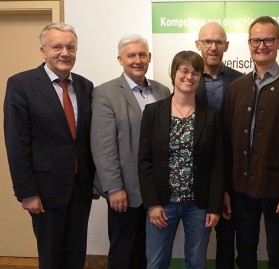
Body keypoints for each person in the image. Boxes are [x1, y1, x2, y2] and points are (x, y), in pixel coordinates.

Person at [224, 16, 279, 269]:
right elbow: (229, 144)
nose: (261, 45)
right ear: (249, 43)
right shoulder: (237, 87)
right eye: (255, 40)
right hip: (241, 189)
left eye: (268, 39)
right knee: (245, 254)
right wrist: (226, 189)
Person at [3, 23, 95, 269]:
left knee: (76, 255)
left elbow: (87, 140)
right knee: (52, 257)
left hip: (80, 188)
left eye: (70, 47)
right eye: (57, 47)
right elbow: (16, 142)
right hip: (44, 190)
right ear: (43, 51)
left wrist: (95, 182)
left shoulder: (86, 86)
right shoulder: (21, 85)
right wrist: (27, 192)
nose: (64, 53)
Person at [138, 50, 224, 269]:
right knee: (156, 262)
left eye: (195, 72)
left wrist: (214, 207)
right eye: (184, 70)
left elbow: (217, 164)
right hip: (163, 203)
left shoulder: (211, 115)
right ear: (174, 73)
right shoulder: (153, 112)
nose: (189, 76)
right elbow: (144, 161)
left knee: (196, 262)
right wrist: (152, 204)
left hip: (199, 205)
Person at [91, 34, 170, 269]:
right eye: (131, 55)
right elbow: (103, 145)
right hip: (125, 191)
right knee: (124, 251)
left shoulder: (163, 91)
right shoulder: (105, 93)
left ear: (149, 57)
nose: (137, 60)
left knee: (150, 252)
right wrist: (114, 187)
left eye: (142, 54)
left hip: (157, 191)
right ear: (120, 59)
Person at [195, 21, 243, 269]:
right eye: (207, 41)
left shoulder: (241, 80)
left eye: (218, 42)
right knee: (196, 240)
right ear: (198, 45)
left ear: (226, 46)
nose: (213, 47)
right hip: (197, 173)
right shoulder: (186, 80)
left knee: (227, 237)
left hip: (232, 172)